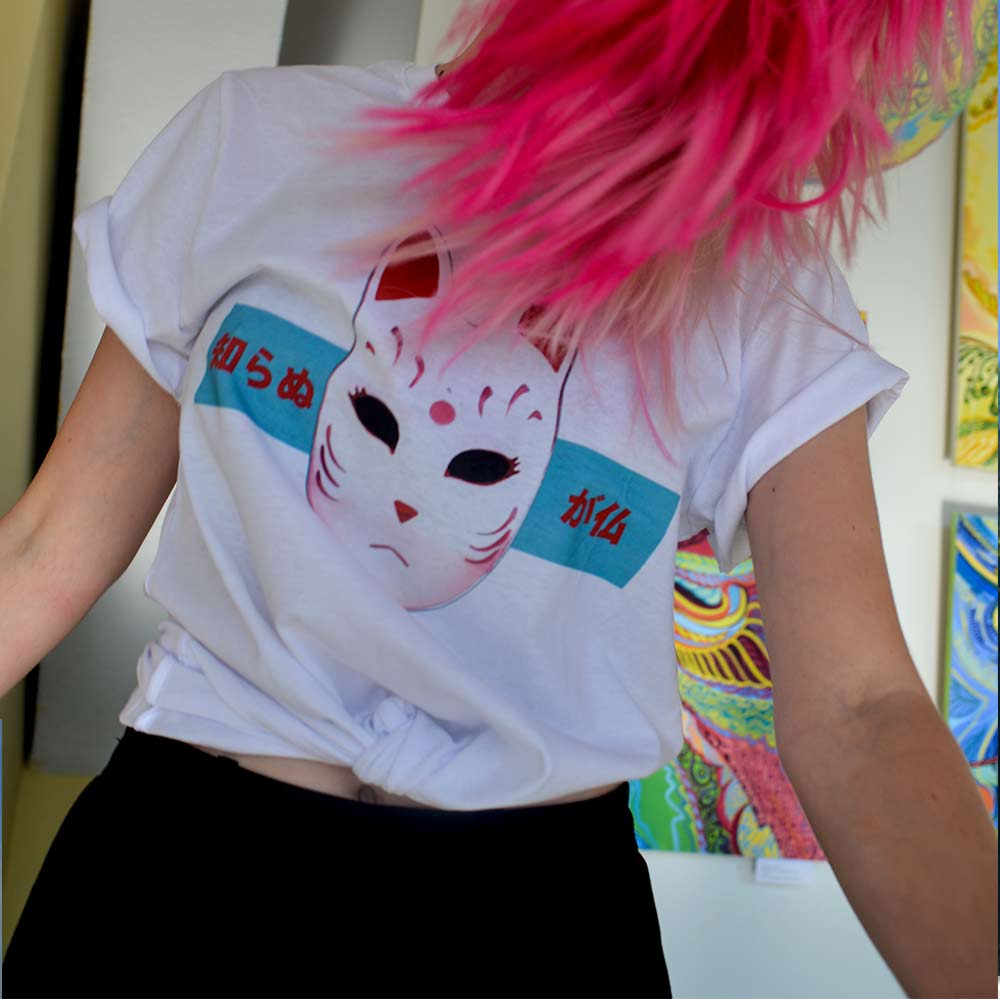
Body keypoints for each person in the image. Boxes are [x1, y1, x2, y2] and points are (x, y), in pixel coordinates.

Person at [1, 2, 996, 998]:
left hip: (530, 922)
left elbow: (861, 709)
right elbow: (43, 549)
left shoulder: (767, 294)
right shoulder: (257, 138)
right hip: (175, 874)